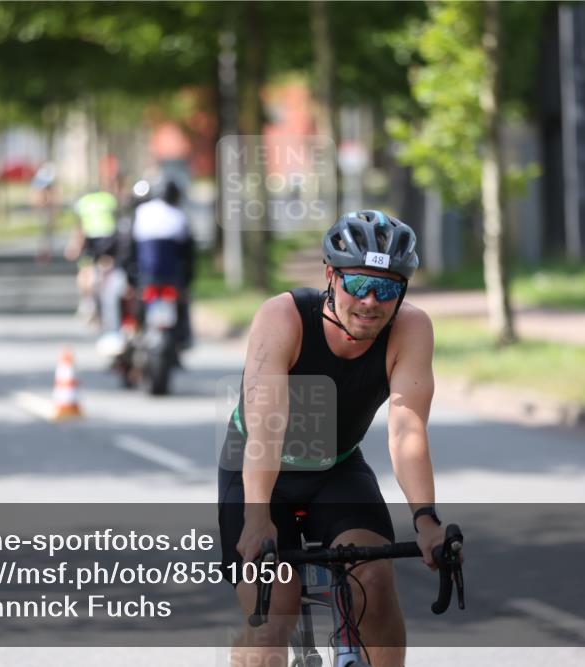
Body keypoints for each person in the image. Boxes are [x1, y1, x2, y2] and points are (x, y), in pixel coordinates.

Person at [218, 210, 448, 667]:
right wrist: (258, 516)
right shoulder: (283, 316)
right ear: (330, 275)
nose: (370, 302)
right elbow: (266, 423)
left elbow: (406, 430)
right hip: (261, 471)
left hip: (335, 466)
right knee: (276, 609)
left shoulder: (412, 329)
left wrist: (425, 519)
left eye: (386, 289)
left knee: (375, 583)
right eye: (358, 285)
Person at [131, 181, 194, 347]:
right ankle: (184, 336)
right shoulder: (179, 215)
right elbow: (188, 253)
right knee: (183, 302)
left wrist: (131, 278)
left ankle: (133, 331)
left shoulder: (141, 213)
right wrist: (187, 280)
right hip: (172, 277)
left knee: (135, 300)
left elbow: (131, 248)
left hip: (147, 276)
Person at [66, 186, 119, 324]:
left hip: (90, 238)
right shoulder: (109, 199)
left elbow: (79, 227)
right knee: (106, 269)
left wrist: (74, 246)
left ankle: (88, 302)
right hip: (108, 238)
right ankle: (102, 299)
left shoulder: (83, 202)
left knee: (85, 271)